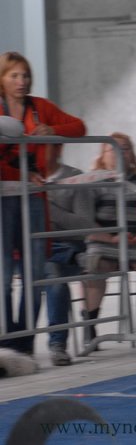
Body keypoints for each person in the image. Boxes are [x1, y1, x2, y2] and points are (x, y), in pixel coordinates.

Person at [0, 51, 86, 356]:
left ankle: (22, 343)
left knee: (35, 273)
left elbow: (79, 127)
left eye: (25, 75)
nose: (21, 81)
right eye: (14, 75)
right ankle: (6, 339)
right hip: (5, 198)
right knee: (5, 274)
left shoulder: (40, 107)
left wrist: (53, 131)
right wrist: (20, 173)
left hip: (33, 198)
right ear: (2, 79)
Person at [82, 132, 136, 341]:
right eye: (112, 149)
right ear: (102, 156)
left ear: (132, 155)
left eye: (124, 148)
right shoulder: (91, 184)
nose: (119, 153)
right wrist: (108, 237)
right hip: (105, 242)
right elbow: (83, 218)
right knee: (95, 265)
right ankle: (90, 324)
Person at [42, 144, 95, 365]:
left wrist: (46, 209)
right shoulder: (20, 178)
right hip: (34, 249)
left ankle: (57, 344)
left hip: (68, 246)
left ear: (58, 148)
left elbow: (85, 224)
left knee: (55, 277)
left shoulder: (75, 178)